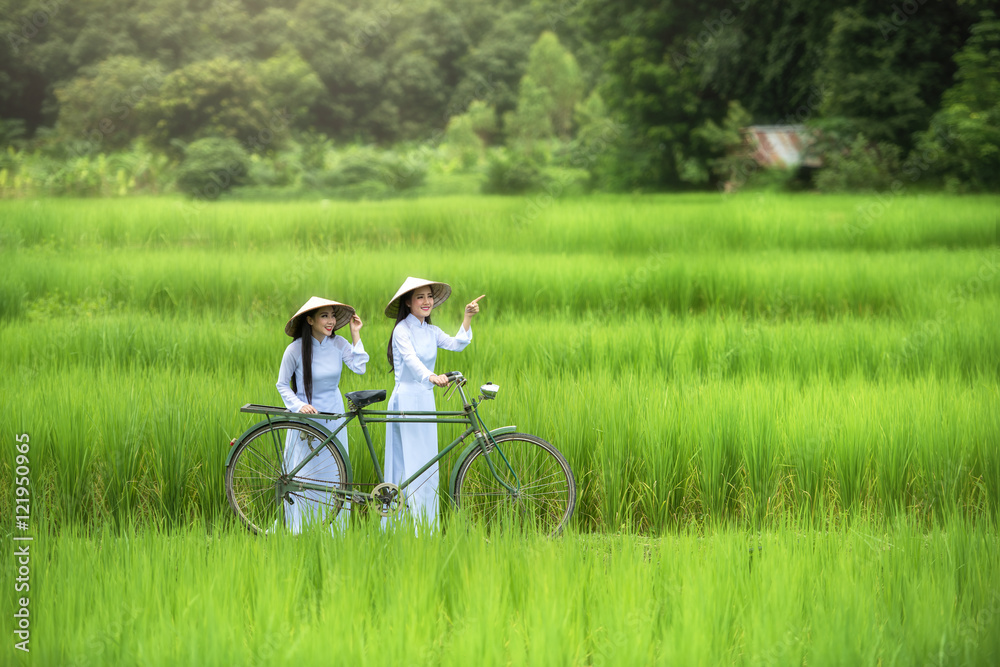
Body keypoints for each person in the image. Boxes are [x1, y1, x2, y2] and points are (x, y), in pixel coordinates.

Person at [383, 277, 484, 529]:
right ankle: (400, 526)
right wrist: (430, 375)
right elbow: (410, 359)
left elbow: (456, 344)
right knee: (408, 461)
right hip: (406, 399)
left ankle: (424, 528)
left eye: (429, 296)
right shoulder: (401, 331)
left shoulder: (431, 331)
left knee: (427, 462)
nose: (426, 301)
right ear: (408, 303)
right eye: (420, 297)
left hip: (425, 398)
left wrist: (467, 317)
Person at [276, 296, 368, 533]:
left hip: (334, 414)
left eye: (333, 316)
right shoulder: (294, 349)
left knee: (334, 472)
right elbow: (282, 384)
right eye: (324, 316)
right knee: (306, 474)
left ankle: (332, 531)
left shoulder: (338, 344)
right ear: (310, 320)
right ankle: (301, 528)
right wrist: (298, 406)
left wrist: (356, 334)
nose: (331, 321)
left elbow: (360, 367)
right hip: (307, 415)